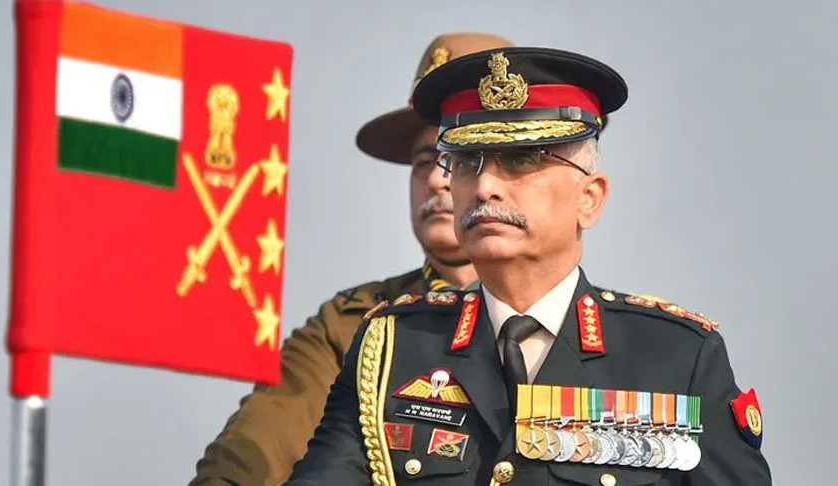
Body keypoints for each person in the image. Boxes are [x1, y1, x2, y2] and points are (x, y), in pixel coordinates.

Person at [282, 46, 772, 485]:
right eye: (467, 162)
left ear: (589, 198)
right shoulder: (393, 348)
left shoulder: (677, 357)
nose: (485, 187)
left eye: (519, 160)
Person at [189, 33, 513, 486]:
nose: (437, 181)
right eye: (424, 161)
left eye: (460, 159)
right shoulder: (352, 326)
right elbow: (251, 455)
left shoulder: (585, 326)